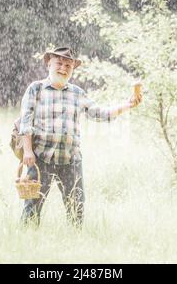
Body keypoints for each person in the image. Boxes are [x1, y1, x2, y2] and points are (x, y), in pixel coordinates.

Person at [18, 46, 142, 228]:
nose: (63, 68)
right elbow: (26, 122)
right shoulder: (35, 89)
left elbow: (101, 113)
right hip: (40, 158)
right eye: (59, 63)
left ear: (72, 69)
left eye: (68, 65)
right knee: (32, 206)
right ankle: (27, 238)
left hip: (71, 160)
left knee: (76, 206)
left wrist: (127, 105)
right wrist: (28, 151)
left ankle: (74, 240)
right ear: (49, 63)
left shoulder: (77, 93)